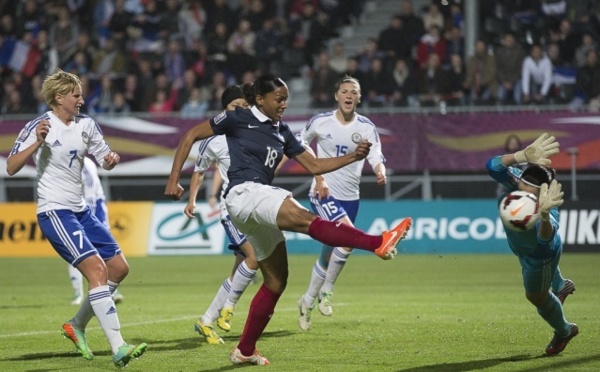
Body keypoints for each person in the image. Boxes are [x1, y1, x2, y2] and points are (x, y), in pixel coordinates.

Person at [165, 74, 412, 366]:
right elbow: (189, 136)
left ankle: (244, 350)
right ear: (260, 99)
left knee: (276, 281)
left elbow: (315, 164)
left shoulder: (282, 131)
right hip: (245, 192)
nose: (284, 104)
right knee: (304, 218)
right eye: (278, 99)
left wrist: (353, 157)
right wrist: (173, 179)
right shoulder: (237, 117)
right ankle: (378, 242)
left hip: (252, 206)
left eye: (286, 99)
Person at [6, 69, 147, 368]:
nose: (82, 100)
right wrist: (36, 144)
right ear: (59, 97)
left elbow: (104, 159)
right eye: (76, 95)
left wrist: (111, 160)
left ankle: (77, 324)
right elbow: (11, 167)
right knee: (97, 270)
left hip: (81, 210)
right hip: (55, 211)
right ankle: (118, 346)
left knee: (119, 268)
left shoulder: (87, 126)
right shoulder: (39, 126)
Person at [297, 76, 390, 331]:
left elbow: (376, 155)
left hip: (351, 197)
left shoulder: (367, 127)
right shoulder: (320, 122)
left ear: (359, 98)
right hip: (323, 193)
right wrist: (317, 175)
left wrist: (380, 170)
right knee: (348, 239)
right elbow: (300, 144)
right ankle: (327, 290)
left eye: (354, 92)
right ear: (336, 95)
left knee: (329, 253)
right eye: (345, 91)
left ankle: (306, 302)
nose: (349, 95)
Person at [486, 132, 578, 356]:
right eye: (521, 185)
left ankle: (564, 330)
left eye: (529, 191)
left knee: (535, 296)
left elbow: (545, 241)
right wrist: (520, 154)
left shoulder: (547, 207)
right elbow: (491, 166)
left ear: (541, 194)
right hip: (523, 246)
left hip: (541, 255)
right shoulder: (519, 181)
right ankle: (560, 285)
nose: (521, 191)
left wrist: (544, 216)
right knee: (522, 247)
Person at [186, 85, 259, 345]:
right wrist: (192, 199)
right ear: (224, 110)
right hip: (233, 210)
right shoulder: (214, 140)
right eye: (234, 107)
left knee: (239, 269)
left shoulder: (253, 133)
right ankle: (228, 308)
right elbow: (199, 170)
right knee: (254, 257)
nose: (239, 111)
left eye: (243, 106)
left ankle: (205, 321)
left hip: (254, 209)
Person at [69, 157, 124, 306]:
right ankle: (78, 293)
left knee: (101, 249)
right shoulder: (61, 160)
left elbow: (91, 194)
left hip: (94, 208)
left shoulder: (85, 164)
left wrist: (88, 222)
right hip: (74, 206)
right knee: (74, 247)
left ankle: (110, 288)